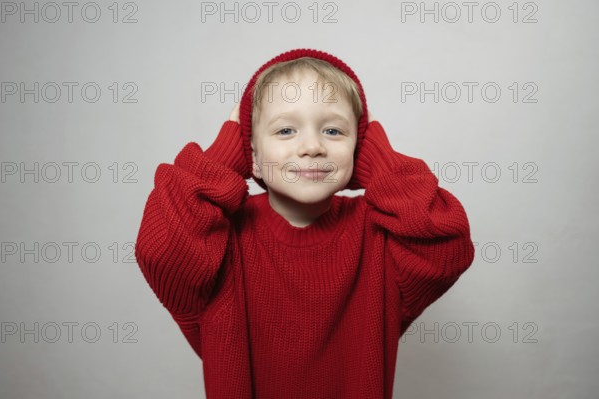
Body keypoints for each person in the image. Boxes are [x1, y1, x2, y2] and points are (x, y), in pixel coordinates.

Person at [134, 48, 475, 399]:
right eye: (285, 130)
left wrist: (377, 160)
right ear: (249, 154)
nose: (312, 146)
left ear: (360, 149)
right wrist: (224, 157)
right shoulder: (217, 239)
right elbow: (161, 250)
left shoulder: (381, 238)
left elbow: (447, 245)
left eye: (332, 131)